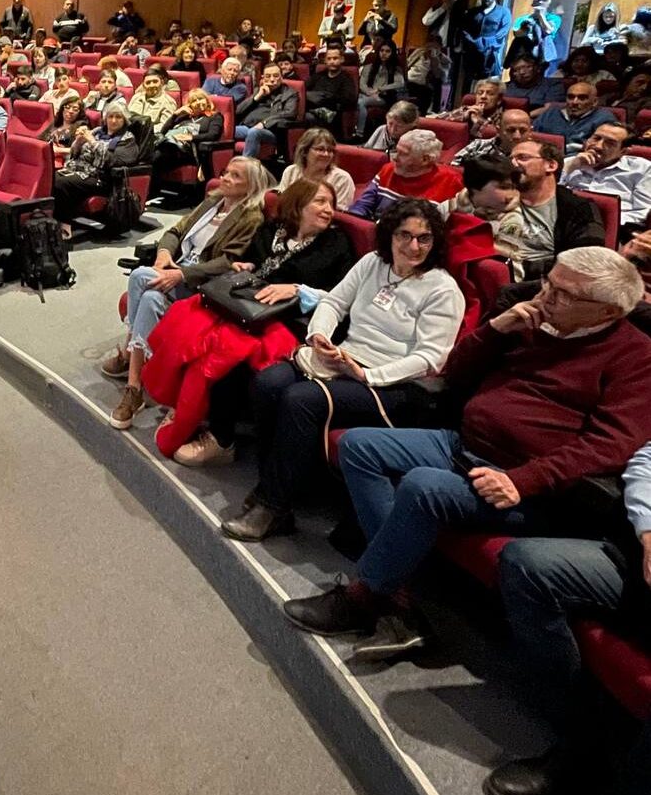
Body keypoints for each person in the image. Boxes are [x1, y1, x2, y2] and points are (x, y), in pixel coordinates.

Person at [281, 248, 651, 659]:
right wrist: (496, 329)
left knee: (423, 486)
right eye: (549, 282)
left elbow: (610, 446)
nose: (546, 295)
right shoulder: (529, 321)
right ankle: (399, 598)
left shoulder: (638, 357)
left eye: (564, 294)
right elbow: (453, 372)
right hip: (464, 444)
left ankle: (364, 595)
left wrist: (524, 480)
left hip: (527, 485)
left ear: (607, 312)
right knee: (358, 446)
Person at [220, 198, 462, 541]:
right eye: (404, 235)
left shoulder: (442, 289)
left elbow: (431, 358)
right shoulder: (373, 263)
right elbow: (333, 302)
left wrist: (367, 375)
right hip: (345, 358)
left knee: (300, 399)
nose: (413, 246)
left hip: (392, 383)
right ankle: (274, 486)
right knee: (268, 382)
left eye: (424, 238)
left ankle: (273, 507)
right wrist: (319, 335)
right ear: (390, 235)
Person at [145, 179, 357, 462]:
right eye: (320, 201)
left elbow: (340, 297)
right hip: (245, 305)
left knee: (224, 354)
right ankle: (184, 405)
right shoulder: (272, 230)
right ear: (297, 204)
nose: (328, 209)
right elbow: (249, 261)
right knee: (185, 322)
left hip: (286, 319)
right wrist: (244, 266)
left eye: (331, 204)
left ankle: (222, 439)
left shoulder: (336, 243)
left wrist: (298, 290)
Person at [487, 442, 651, 795]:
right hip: (638, 563)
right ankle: (580, 743)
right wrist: (649, 530)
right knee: (527, 567)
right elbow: (645, 462)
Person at [101, 157, 269, 430]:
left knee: (140, 275)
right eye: (226, 172)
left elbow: (228, 261)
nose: (225, 178)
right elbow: (175, 231)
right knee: (150, 298)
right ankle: (135, 385)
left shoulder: (251, 216)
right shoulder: (212, 201)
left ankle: (130, 354)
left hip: (200, 283)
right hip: (175, 268)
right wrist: (163, 254)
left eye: (236, 176)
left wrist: (181, 274)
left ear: (251, 186)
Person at [508, 138, 606, 281]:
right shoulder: (499, 199)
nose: (512, 164)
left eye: (522, 158)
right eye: (510, 159)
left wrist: (515, 268)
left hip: (544, 283)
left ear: (551, 165)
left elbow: (584, 261)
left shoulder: (578, 208)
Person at [52, 102, 141, 235]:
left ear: (124, 120)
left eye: (118, 117)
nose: (114, 120)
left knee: (61, 183)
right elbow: (74, 154)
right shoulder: (97, 131)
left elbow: (112, 161)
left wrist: (92, 142)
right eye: (110, 116)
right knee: (50, 178)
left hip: (103, 179)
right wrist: (78, 141)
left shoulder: (127, 139)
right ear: (105, 118)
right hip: (79, 170)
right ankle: (54, 222)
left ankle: (65, 225)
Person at [348, 129, 463, 219]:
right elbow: (361, 206)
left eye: (403, 154)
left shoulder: (452, 182)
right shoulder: (388, 170)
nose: (395, 158)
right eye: (396, 151)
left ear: (425, 160)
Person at [560, 120, 651, 234]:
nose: (598, 146)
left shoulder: (643, 169)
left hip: (614, 230)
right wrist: (569, 168)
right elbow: (547, 197)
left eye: (610, 143)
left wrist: (604, 221)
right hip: (564, 225)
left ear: (623, 151)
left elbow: (642, 211)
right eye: (596, 138)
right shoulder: (570, 163)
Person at [438, 154, 526, 267]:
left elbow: (500, 261)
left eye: (514, 188)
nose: (511, 195)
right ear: (476, 186)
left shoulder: (512, 218)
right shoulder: (447, 208)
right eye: (504, 187)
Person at [152, 88, 224, 182]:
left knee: (158, 156)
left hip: (188, 151)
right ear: (189, 105)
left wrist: (191, 137)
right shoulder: (184, 116)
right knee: (154, 155)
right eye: (194, 101)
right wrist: (175, 114)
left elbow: (213, 135)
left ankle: (149, 188)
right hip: (170, 145)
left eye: (200, 99)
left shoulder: (214, 116)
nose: (198, 102)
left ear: (207, 100)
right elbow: (163, 131)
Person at [279, 127, 356, 209]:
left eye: (330, 150)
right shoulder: (291, 171)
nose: (326, 154)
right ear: (305, 151)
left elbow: (338, 214)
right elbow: (282, 203)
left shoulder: (342, 179)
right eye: (320, 149)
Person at [235, 61, 299, 159]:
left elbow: (290, 113)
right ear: (263, 78)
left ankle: (245, 166)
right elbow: (238, 111)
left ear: (282, 77)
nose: (272, 79)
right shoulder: (259, 90)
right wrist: (257, 97)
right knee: (226, 131)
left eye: (276, 76)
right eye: (268, 76)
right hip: (248, 127)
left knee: (254, 132)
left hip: (271, 131)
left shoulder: (290, 94)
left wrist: (264, 123)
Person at [532, 80, 616, 152]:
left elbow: (603, 148)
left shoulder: (604, 119)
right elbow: (531, 134)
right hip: (542, 155)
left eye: (582, 98)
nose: (574, 102)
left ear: (594, 102)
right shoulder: (551, 113)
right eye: (570, 97)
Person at [462, 0, 511, 87]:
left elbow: (503, 31)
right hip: (472, 52)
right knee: (470, 83)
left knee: (490, 84)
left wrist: (487, 43)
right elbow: (465, 29)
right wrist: (474, 42)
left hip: (490, 53)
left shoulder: (503, 12)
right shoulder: (473, 12)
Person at [355, 41, 406, 139]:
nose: (384, 53)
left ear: (392, 53)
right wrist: (368, 92)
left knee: (361, 102)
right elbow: (362, 83)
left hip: (384, 96)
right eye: (382, 50)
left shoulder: (395, 69)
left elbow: (399, 83)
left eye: (387, 51)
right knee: (355, 99)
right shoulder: (369, 66)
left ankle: (359, 133)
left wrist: (379, 89)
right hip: (368, 94)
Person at [450, 107, 533, 164]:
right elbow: (454, 166)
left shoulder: (535, 156)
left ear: (530, 131)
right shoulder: (478, 145)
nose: (517, 136)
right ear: (499, 130)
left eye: (523, 131)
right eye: (511, 130)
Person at [304, 46, 358, 126]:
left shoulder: (346, 78)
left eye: (335, 58)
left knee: (307, 117)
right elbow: (303, 88)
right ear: (325, 61)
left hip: (332, 116)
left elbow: (350, 100)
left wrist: (327, 97)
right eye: (329, 59)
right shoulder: (318, 75)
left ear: (342, 59)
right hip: (312, 109)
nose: (332, 61)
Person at [433, 77, 504, 136]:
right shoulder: (467, 109)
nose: (483, 96)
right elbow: (438, 120)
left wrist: (478, 120)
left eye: (490, 94)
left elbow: (497, 136)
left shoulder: (503, 117)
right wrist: (464, 117)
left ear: (499, 99)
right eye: (480, 93)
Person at [404, 36, 451, 114]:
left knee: (426, 92)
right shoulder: (419, 52)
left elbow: (438, 74)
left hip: (425, 84)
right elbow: (407, 64)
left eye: (435, 46)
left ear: (439, 47)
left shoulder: (442, 58)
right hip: (410, 79)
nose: (431, 48)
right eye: (429, 45)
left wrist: (434, 58)